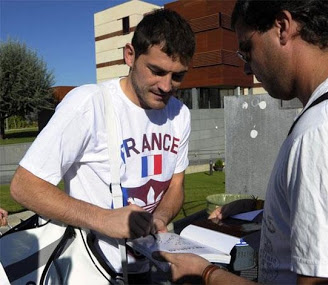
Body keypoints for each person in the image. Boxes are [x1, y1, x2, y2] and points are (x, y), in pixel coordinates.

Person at [157, 0, 328, 284]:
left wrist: (206, 273)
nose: (247, 68)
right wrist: (261, 206)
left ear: (282, 27)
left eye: (247, 49)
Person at [10, 8, 195, 279]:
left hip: (152, 267)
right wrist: (103, 219)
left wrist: (160, 217)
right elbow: (24, 186)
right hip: (92, 270)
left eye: (177, 76)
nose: (166, 86)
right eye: (156, 71)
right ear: (129, 55)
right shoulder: (89, 103)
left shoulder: (180, 114)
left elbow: (176, 185)